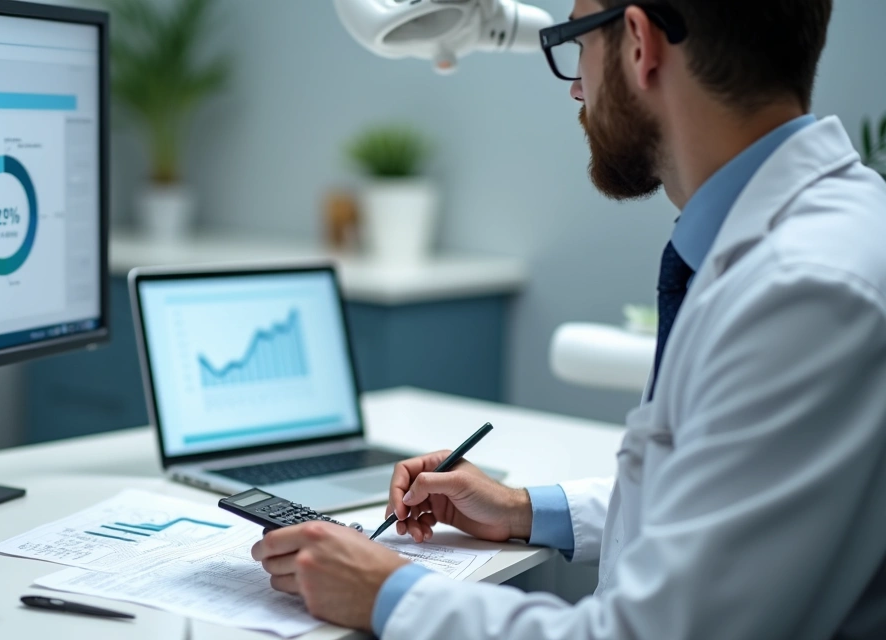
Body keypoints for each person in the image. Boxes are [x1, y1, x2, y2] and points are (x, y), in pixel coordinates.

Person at [252, 0, 886, 637]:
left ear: (639, 43)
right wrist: (522, 510)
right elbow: (724, 508)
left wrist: (388, 593)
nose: (577, 88)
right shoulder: (808, 238)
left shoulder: (804, 289)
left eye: (575, 43)